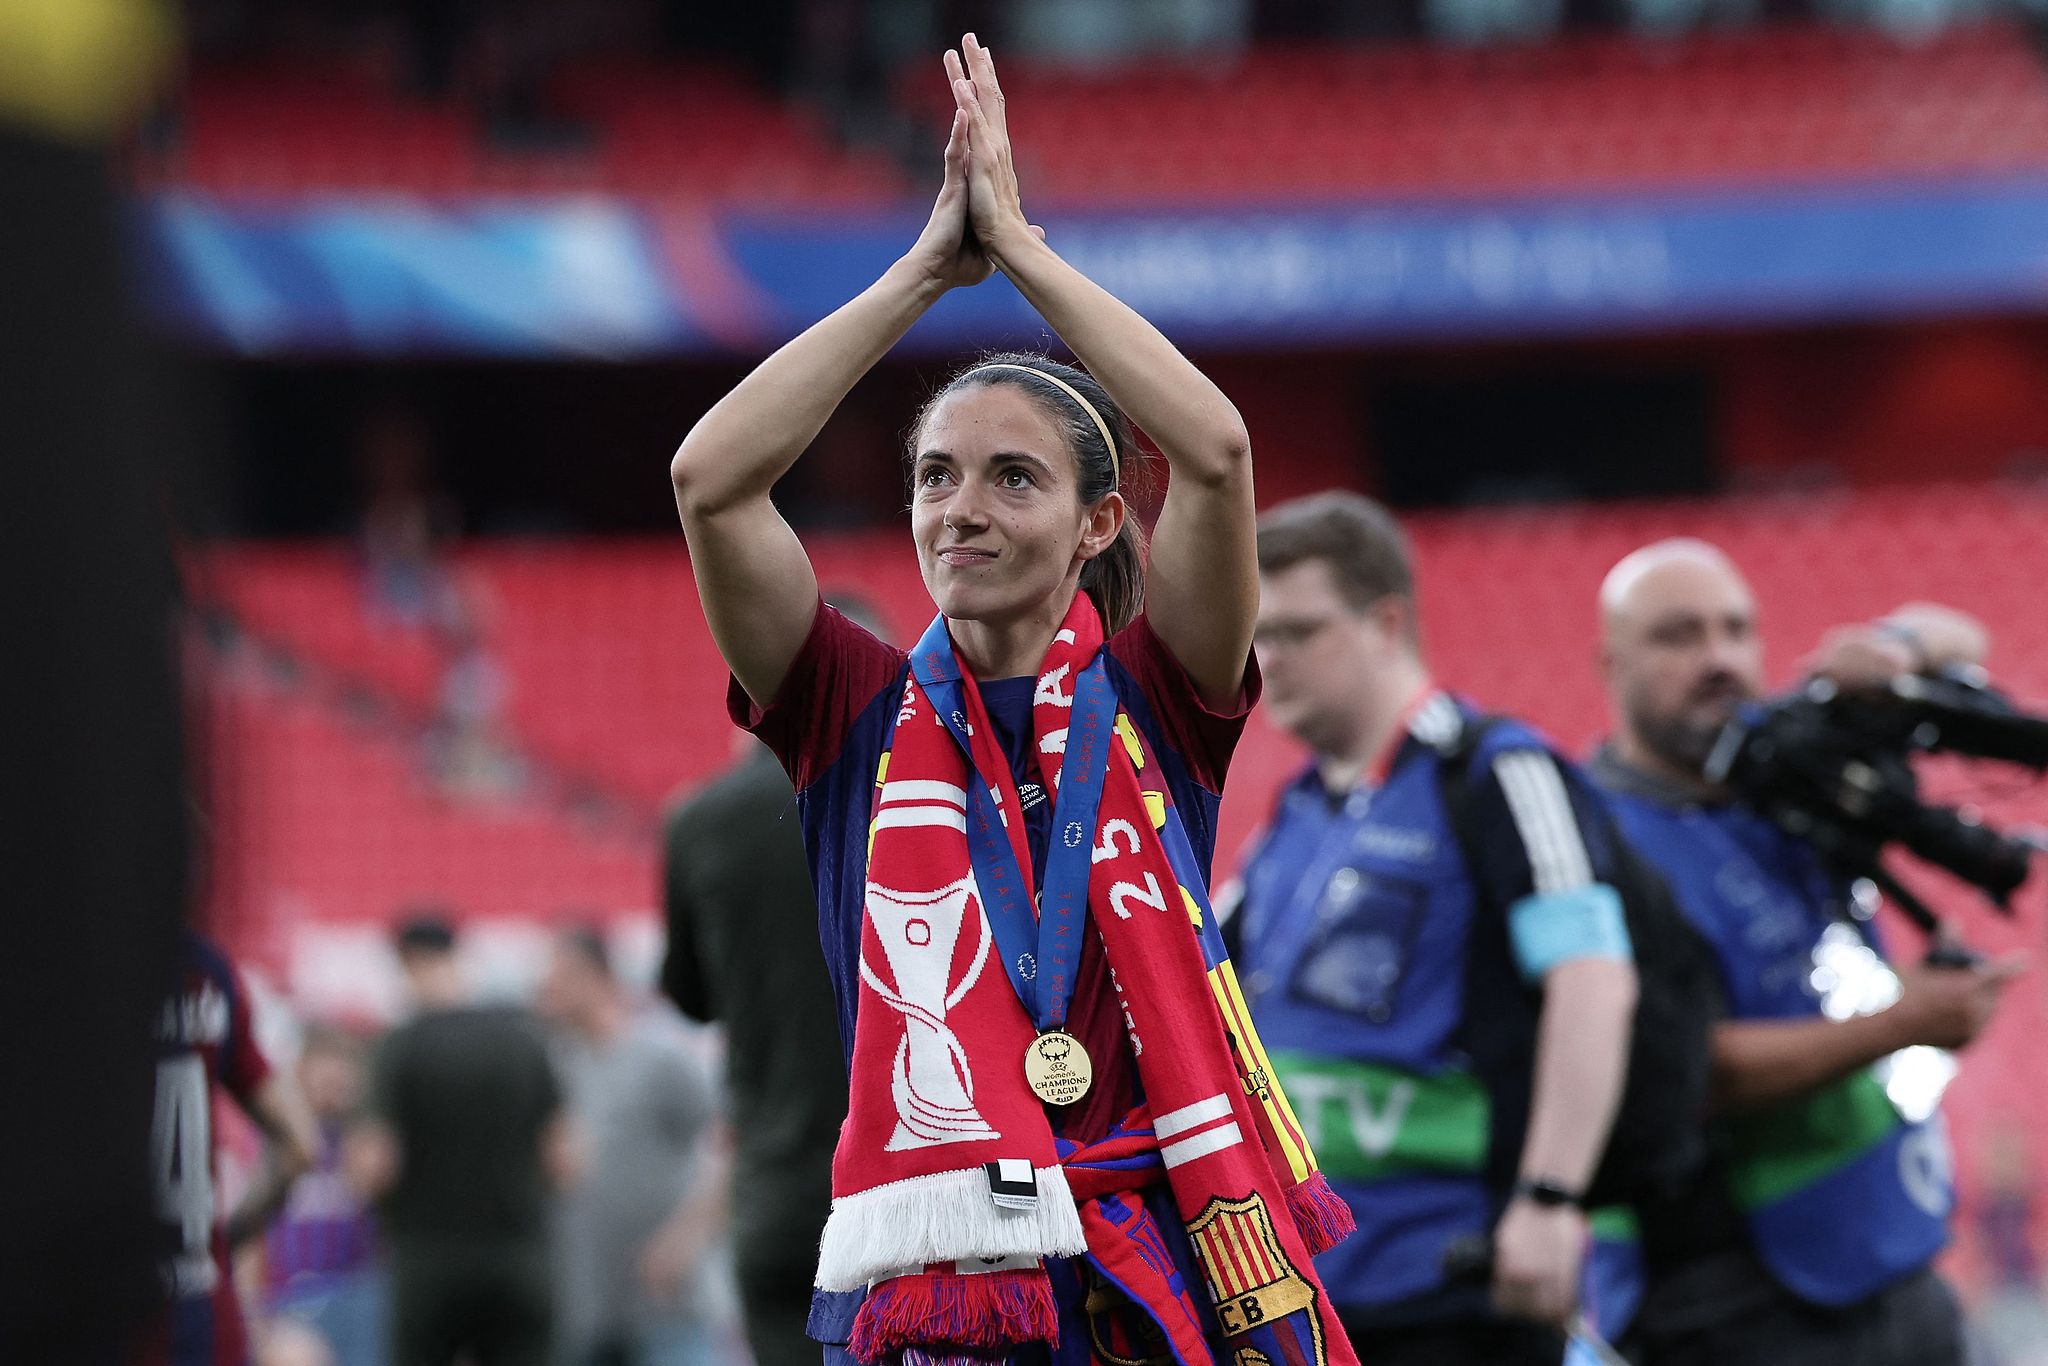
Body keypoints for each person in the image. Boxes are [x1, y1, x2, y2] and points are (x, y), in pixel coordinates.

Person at [669, 33, 1358, 1366]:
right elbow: (711, 481)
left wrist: (1025, 252)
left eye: (1011, 477)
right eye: (935, 476)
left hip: (1167, 1273)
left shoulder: (1159, 697)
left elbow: (1214, 454)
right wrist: (927, 269)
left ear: (1103, 517)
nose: (961, 509)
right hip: (954, 1284)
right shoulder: (850, 712)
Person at [1588, 538, 2024, 1366]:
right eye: (1678, 636)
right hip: (1731, 1287)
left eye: (1734, 629)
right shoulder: (1593, 838)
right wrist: (1909, 1021)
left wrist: (1894, 648)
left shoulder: (1785, 759)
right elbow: (1686, 1072)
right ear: (1610, 664)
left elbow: (1959, 634)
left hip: (1889, 1255)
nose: (1717, 658)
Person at [1227, 492, 1639, 1366]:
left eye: (1299, 632)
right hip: (1309, 1286)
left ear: (1384, 623)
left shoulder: (1496, 772)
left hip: (1457, 1278)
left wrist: (1551, 1197)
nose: (1271, 661)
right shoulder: (1295, 811)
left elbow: (1594, 980)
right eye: (1260, 637)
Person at [661, 605, 872, 1366]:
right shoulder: (911, 803)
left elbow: (689, 996)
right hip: (899, 1181)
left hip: (774, 1182)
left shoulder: (699, 821)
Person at [347, 914, 571, 1366]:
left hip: (429, 1263)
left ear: (408, 962)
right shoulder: (525, 1039)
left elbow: (374, 1166)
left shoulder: (398, 1046)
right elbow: (567, 1161)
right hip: (518, 1260)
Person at [542, 924, 728, 1366]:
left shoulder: (660, 1057)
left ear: (596, 976)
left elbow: (728, 1147)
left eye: (560, 977)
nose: (548, 990)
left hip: (667, 1305)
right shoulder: (555, 1066)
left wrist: (686, 1240)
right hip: (583, 1309)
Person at [139, 929, 320, 1366]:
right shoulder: (204, 966)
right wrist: (229, 1235)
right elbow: (300, 1143)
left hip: (83, 1311)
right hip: (199, 1309)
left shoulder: (44, 962)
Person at [258, 1023, 385, 1366]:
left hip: (353, 1297)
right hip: (283, 1302)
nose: (334, 1085)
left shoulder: (361, 1145)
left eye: (344, 1074)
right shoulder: (267, 1144)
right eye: (325, 1071)